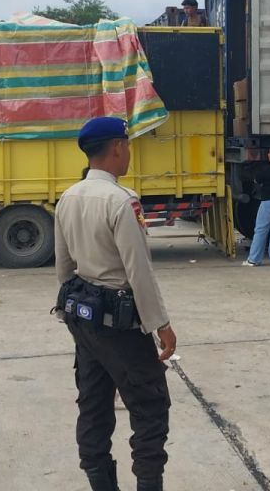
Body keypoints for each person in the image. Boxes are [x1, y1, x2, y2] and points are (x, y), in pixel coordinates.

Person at [55, 116, 176, 491]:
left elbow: (63, 268)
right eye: (127, 146)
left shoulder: (68, 197)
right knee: (150, 405)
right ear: (117, 148)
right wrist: (161, 324)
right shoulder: (122, 201)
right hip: (119, 323)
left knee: (93, 404)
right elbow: (138, 270)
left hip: (84, 316)